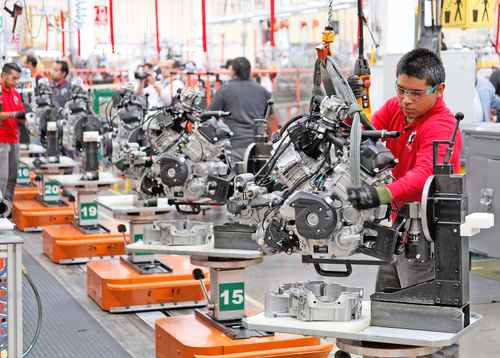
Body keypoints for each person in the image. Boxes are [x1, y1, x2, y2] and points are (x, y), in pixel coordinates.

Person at [347, 48, 462, 358]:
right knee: (386, 308)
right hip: (395, 229)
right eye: (401, 90)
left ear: (439, 91)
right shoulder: (397, 110)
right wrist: (350, 104)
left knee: (427, 321)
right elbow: (364, 131)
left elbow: (424, 175)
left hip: (426, 235)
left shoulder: (441, 125)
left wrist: (381, 194)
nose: (406, 99)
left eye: (415, 93)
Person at [209, 56, 278, 162]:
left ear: (233, 71)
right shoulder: (263, 92)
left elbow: (210, 117)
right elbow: (271, 120)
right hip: (257, 148)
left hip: (233, 147)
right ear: (249, 71)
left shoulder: (224, 90)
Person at [0, 63, 26, 203]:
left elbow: (21, 114)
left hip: (14, 139)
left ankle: (7, 207)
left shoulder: (15, 94)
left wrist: (26, 120)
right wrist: (14, 114)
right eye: (14, 78)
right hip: (1, 140)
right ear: (4, 75)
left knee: (12, 176)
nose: (16, 82)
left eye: (17, 79)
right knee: (2, 177)